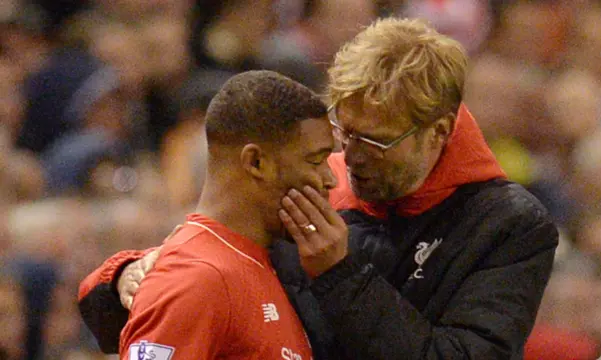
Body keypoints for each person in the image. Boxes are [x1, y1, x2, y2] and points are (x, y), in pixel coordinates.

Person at [78, 17, 558, 359]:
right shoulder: (319, 180)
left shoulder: (509, 226)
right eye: (345, 131)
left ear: (438, 132)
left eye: (377, 141)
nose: (348, 158)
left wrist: (340, 274)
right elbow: (207, 258)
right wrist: (119, 280)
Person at [82, 70, 339, 359]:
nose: (331, 179)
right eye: (316, 160)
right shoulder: (194, 279)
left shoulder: (269, 262)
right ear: (256, 162)